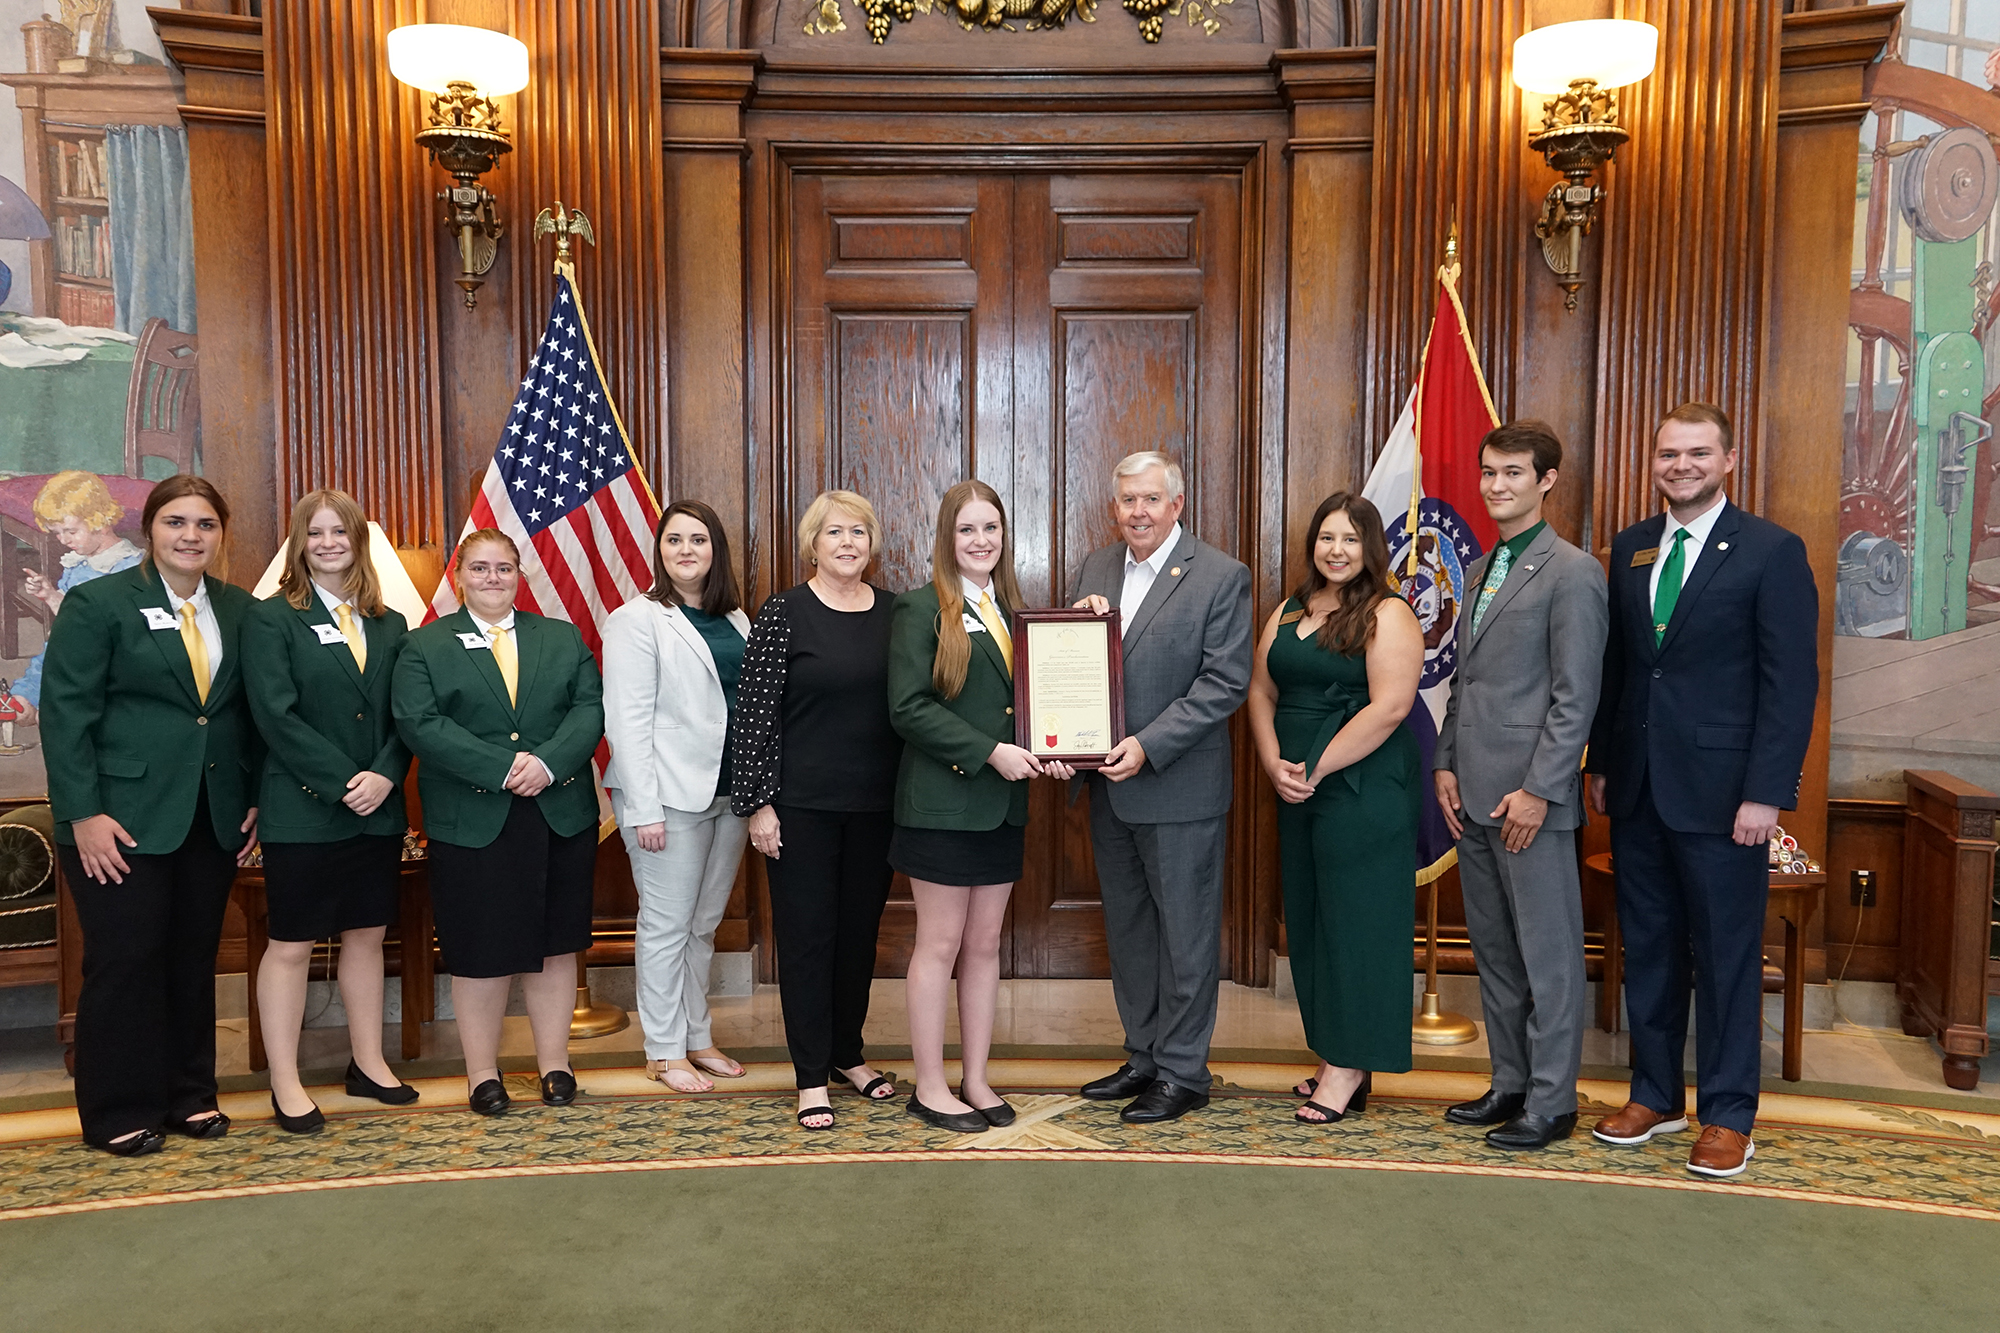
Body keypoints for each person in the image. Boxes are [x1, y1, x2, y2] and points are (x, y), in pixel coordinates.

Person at [1585, 403, 1818, 1179]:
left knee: (1724, 957)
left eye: (1696, 453)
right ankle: (1655, 1093)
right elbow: (1623, 668)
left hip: (1727, 798)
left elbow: (1790, 687)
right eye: (1667, 453)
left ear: (1727, 459)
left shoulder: (1770, 551)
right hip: (1639, 789)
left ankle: (1728, 1114)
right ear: (1652, 461)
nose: (1680, 465)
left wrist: (1766, 793)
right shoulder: (1631, 547)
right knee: (1649, 946)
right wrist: (1601, 762)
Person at [42, 475, 260, 1155]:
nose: (190, 535)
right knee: (125, 959)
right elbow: (66, 714)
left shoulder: (240, 608)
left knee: (192, 959)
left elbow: (244, 713)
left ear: (221, 533)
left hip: (211, 813)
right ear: (149, 530)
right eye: (175, 522)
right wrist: (83, 813)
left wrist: (253, 793)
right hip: (119, 820)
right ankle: (116, 1109)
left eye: (204, 524)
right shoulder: (100, 603)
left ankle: (189, 1095)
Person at [1432, 423, 1607, 1150]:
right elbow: (1462, 682)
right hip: (1472, 794)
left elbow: (1577, 695)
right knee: (1497, 953)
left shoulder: (1571, 572)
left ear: (1546, 481)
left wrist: (1541, 786)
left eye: (1512, 473)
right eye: (1488, 472)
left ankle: (1552, 1098)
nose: (1496, 485)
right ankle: (1509, 1083)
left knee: (1549, 957)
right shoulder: (1478, 569)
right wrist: (1444, 759)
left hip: (1529, 802)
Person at [393, 530, 604, 1116]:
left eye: (504, 568)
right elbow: (420, 724)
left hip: (558, 812)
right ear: (459, 574)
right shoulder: (425, 645)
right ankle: (482, 1074)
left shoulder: (560, 638)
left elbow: (589, 708)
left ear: (520, 574)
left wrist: (547, 763)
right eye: (480, 569)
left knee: (557, 946)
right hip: (474, 819)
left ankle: (555, 1065)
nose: (493, 579)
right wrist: (504, 766)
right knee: (480, 950)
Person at [1070, 451, 1253, 1124]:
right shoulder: (1095, 568)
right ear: (1114, 508)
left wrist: (1149, 744)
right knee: (1130, 932)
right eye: (1127, 501)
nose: (1138, 512)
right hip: (1107, 790)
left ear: (1177, 504)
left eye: (1151, 499)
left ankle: (1183, 1070)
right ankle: (1143, 1054)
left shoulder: (1221, 575)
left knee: (1186, 936)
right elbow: (1076, 667)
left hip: (1178, 788)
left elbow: (1224, 682)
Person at [888, 480, 1073, 1135]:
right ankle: (930, 1084)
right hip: (942, 801)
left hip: (1001, 804)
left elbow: (1033, 703)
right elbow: (908, 709)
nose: (980, 540)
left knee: (986, 944)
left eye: (990, 528)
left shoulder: (1015, 610)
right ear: (947, 537)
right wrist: (992, 750)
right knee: (939, 944)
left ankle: (976, 1076)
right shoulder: (920, 609)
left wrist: (1052, 747)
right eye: (967, 529)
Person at [242, 488, 418, 1134]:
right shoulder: (271, 618)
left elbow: (409, 715)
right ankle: (286, 1081)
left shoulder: (392, 622)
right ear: (298, 542)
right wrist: (347, 779)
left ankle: (368, 1062)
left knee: (368, 936)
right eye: (314, 533)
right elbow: (274, 718)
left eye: (338, 532)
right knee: (290, 942)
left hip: (377, 810)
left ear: (357, 541)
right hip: (305, 809)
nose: (327, 544)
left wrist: (387, 773)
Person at [1247, 493, 1423, 1124]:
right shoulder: (1292, 606)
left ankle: (1351, 1066)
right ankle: (1333, 1052)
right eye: (1326, 538)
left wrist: (1315, 769)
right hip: (1294, 786)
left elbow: (1391, 708)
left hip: (1361, 788)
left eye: (1351, 539)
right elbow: (1261, 688)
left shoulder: (1389, 611)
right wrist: (1273, 762)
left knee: (1359, 926)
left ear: (1371, 547)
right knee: (1316, 921)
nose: (1337, 550)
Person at [731, 491, 902, 1131]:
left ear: (872, 543)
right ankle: (810, 1077)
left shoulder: (896, 613)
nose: (848, 543)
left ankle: (846, 1055)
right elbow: (752, 717)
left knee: (858, 938)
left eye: (859, 532)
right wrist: (758, 805)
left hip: (876, 808)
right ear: (813, 543)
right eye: (835, 533)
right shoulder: (784, 613)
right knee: (808, 941)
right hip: (798, 809)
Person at [602, 500, 751, 1094]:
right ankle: (663, 1051)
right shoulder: (635, 619)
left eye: (698, 539)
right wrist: (642, 808)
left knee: (703, 924)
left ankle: (696, 1036)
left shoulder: (736, 618)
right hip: (666, 797)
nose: (686, 550)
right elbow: (627, 720)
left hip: (728, 793)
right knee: (666, 924)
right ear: (659, 551)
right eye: (673, 541)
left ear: (716, 550)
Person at [15, 469, 145, 720]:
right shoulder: (79, 563)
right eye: (57, 533)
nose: (63, 540)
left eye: (71, 531)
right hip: (72, 648)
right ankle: (30, 700)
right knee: (48, 659)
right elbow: (70, 614)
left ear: (100, 521)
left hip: (107, 659)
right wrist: (50, 595)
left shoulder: (127, 567)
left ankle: (59, 711)